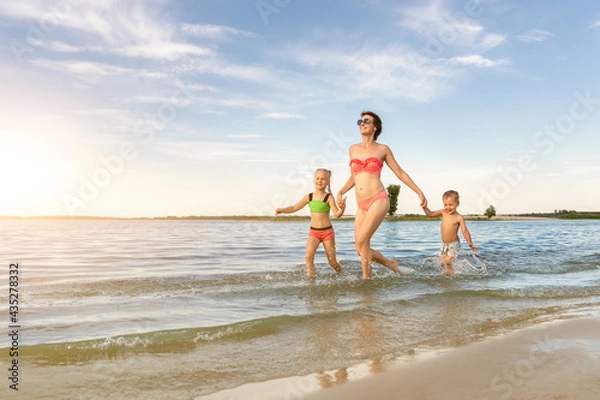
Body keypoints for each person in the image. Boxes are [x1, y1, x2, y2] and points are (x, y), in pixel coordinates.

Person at [336, 111, 428, 279]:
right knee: (359, 247)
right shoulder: (353, 149)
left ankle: (366, 279)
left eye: (366, 121)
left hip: (378, 199)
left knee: (362, 241)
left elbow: (399, 172)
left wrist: (418, 191)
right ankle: (386, 265)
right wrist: (341, 191)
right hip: (361, 205)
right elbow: (354, 176)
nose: (361, 124)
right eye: (360, 121)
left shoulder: (383, 149)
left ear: (375, 126)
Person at [275, 168, 346, 277]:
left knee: (332, 262)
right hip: (314, 233)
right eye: (318, 178)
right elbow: (294, 207)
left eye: (323, 179)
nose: (320, 181)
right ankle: (311, 280)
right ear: (314, 180)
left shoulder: (328, 197)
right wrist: (282, 210)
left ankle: (343, 275)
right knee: (308, 257)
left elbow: (337, 214)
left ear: (328, 182)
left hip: (327, 233)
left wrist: (342, 208)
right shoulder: (309, 197)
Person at [422, 190, 478, 275]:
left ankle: (450, 279)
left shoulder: (459, 217)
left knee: (447, 262)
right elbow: (430, 214)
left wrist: (470, 243)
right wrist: (425, 208)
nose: (448, 207)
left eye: (451, 205)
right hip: (444, 244)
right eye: (446, 205)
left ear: (457, 204)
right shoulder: (443, 212)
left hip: (454, 244)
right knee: (441, 263)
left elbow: (465, 231)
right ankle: (451, 274)